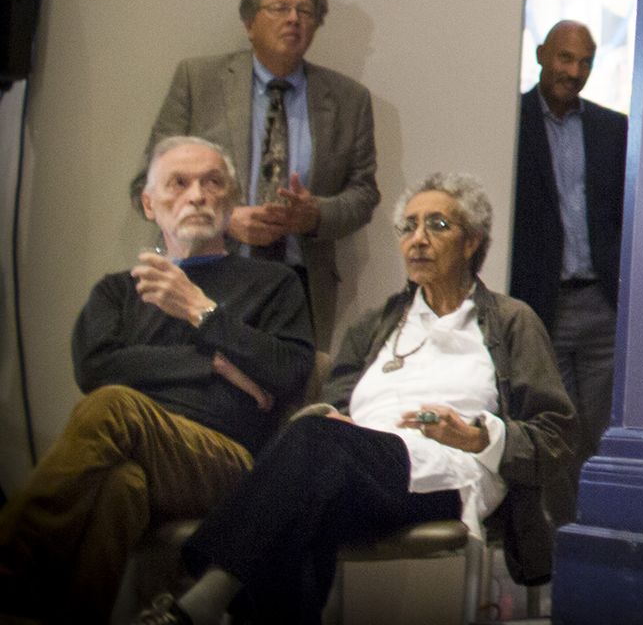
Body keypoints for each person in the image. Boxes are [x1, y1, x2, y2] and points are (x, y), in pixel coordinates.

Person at [137, 173, 573, 625]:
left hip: (447, 474)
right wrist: (332, 415)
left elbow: (556, 436)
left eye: (437, 226)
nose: (418, 239)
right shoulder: (378, 323)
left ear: (471, 243)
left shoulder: (510, 321)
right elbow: (335, 404)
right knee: (307, 503)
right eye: (408, 227)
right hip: (353, 465)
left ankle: (198, 602)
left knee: (312, 452)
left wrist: (476, 437)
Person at [0, 138, 314, 622]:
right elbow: (95, 367)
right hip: (131, 455)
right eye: (179, 183)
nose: (197, 195)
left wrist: (199, 310)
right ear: (150, 204)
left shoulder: (275, 284)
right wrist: (208, 365)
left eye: (213, 183)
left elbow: (289, 372)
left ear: (230, 202)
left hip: (225, 460)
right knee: (119, 487)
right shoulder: (118, 290)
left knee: (114, 407)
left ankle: (9, 562)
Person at [147, 0, 380, 338]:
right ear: (250, 23)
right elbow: (149, 183)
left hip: (299, 283)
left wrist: (315, 215)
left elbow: (364, 194)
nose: (293, 19)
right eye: (280, 8)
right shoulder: (198, 81)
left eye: (305, 12)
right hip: (204, 268)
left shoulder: (349, 99)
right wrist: (224, 219)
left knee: (290, 388)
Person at [506, 18, 628, 523]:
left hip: (602, 301)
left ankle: (600, 535)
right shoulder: (510, 119)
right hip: (541, 304)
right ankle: (561, 547)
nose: (573, 72)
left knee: (603, 432)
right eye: (564, 58)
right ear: (540, 55)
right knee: (555, 432)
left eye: (584, 62)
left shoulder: (612, 128)